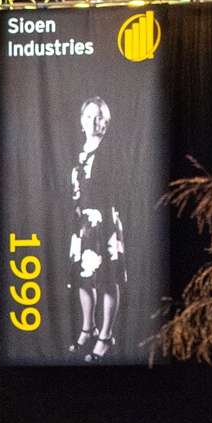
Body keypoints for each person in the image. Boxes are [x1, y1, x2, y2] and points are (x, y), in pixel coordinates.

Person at [67, 96, 124, 363]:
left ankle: (105, 336)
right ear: (81, 121)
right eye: (89, 116)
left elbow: (116, 189)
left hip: (104, 222)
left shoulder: (110, 152)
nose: (93, 121)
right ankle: (87, 328)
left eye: (99, 117)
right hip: (82, 225)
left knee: (108, 279)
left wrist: (100, 217)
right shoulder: (78, 152)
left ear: (106, 122)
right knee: (83, 278)